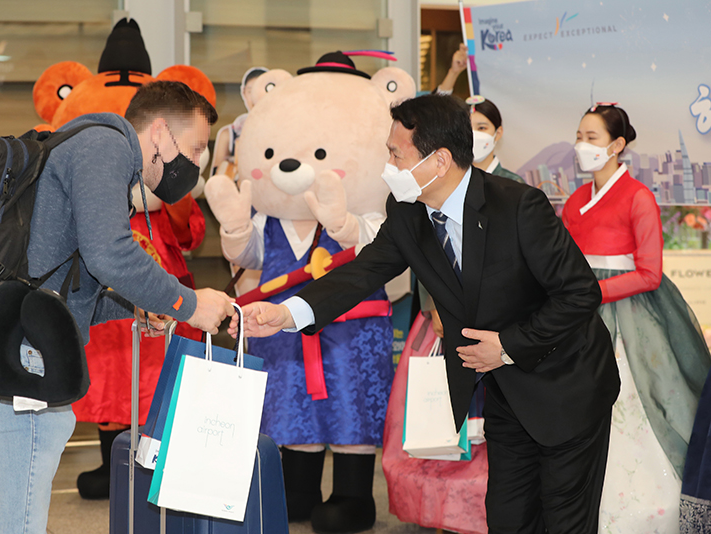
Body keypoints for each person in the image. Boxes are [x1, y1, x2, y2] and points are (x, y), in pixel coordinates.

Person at [234, 93, 621, 534]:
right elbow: (362, 272)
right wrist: (288, 314)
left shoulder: (518, 207)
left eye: (397, 155)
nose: (390, 167)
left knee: (565, 521)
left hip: (566, 387)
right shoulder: (407, 211)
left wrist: (509, 346)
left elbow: (579, 294)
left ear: (439, 161)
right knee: (509, 518)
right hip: (507, 396)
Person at [0, 81, 234, 534]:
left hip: (10, 343)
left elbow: (64, 294)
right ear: (159, 133)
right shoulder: (105, 145)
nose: (196, 163)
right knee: (14, 525)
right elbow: (110, 253)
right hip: (19, 354)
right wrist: (190, 305)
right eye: (196, 148)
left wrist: (136, 309)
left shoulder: (82, 147)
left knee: (13, 520)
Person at [561, 103, 711, 533]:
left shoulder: (639, 197)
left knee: (642, 400)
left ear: (617, 145)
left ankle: (648, 511)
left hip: (633, 319)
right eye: (579, 136)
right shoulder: (574, 202)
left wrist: (589, 292)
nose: (581, 145)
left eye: (591, 138)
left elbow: (649, 272)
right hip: (581, 318)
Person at [211, 66, 268, 178]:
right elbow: (216, 179)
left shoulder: (282, 131)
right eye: (250, 91)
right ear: (243, 93)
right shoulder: (229, 134)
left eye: (261, 91)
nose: (255, 97)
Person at [467, 96, 525, 183]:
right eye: (467, 128)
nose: (473, 134)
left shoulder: (513, 183)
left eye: (481, 128)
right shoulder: (451, 182)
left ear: (498, 133)